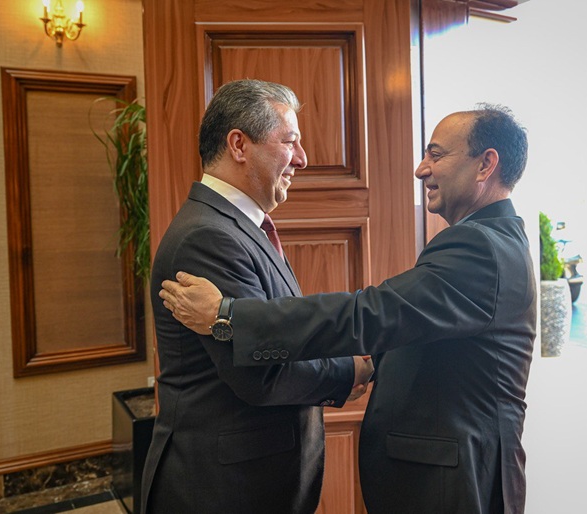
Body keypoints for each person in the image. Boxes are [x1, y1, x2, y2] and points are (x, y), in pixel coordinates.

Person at [160, 104, 536, 514]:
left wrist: (228, 316)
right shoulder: (487, 241)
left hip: (456, 484)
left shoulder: (481, 247)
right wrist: (355, 367)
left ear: (486, 165)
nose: (421, 169)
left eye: (436, 154)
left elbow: (372, 313)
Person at [141, 79, 374, 514]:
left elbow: (277, 331)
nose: (302, 158)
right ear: (238, 145)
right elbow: (260, 373)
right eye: (290, 142)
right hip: (222, 490)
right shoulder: (207, 237)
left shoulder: (238, 226)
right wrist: (350, 370)